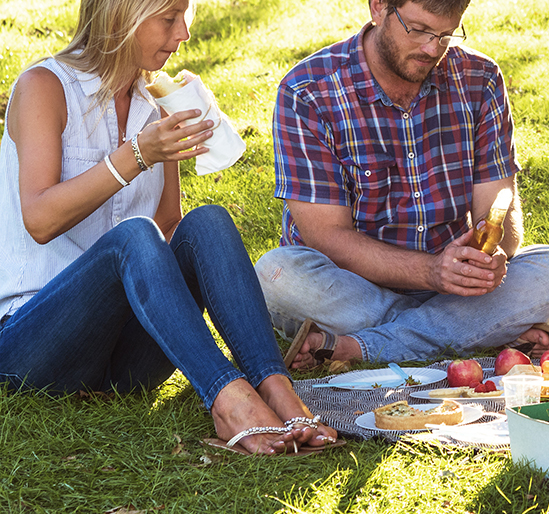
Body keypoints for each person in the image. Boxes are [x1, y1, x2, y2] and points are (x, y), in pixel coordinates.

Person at [0, 0, 338, 455]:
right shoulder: (44, 86)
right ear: (122, 13)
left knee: (208, 222)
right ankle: (228, 399)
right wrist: (138, 154)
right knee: (133, 237)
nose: (183, 34)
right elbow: (40, 220)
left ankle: (276, 387)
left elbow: (169, 228)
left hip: (124, 366)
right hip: (34, 347)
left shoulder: (157, 104)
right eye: (168, 18)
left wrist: (193, 129)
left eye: (185, 15)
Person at [255, 0, 549, 369]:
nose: (431, 48)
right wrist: (431, 272)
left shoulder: (481, 78)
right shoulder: (307, 91)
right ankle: (477, 330)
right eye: (419, 30)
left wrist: (487, 259)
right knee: (276, 275)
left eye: (445, 35)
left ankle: (358, 346)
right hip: (352, 286)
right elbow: (327, 236)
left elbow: (498, 209)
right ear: (378, 8)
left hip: (456, 286)